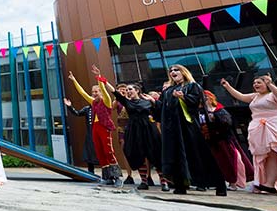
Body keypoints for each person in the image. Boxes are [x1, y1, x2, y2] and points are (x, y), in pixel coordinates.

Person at [153, 65, 226, 195]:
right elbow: (161, 109)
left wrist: (183, 97)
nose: (173, 72)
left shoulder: (193, 86)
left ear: (183, 72)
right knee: (176, 156)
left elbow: (197, 103)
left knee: (199, 154)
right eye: (171, 71)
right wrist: (152, 103)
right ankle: (180, 185)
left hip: (188, 127)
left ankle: (218, 184)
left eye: (176, 70)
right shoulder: (168, 90)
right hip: (173, 129)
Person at [98, 76, 169, 191]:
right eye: (127, 90)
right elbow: (115, 92)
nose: (128, 91)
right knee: (138, 155)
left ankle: (164, 182)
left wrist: (153, 100)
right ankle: (144, 182)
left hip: (148, 129)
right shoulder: (126, 102)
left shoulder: (148, 101)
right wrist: (104, 81)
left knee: (155, 154)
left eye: (130, 89)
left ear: (137, 91)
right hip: (134, 131)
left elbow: (160, 111)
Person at [68, 67, 122, 186]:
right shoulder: (93, 102)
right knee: (100, 152)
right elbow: (82, 93)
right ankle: (108, 177)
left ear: (101, 93)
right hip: (95, 129)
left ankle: (117, 176)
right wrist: (74, 80)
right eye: (93, 92)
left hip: (104, 128)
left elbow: (103, 89)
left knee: (108, 151)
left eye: (96, 92)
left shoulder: (106, 101)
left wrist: (98, 77)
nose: (94, 94)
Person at [202, 90, 254, 190]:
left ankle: (233, 182)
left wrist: (214, 118)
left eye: (206, 97)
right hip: (210, 141)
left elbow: (227, 123)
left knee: (231, 161)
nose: (205, 99)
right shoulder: (201, 111)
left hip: (224, 141)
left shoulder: (219, 109)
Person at [63, 97, 99, 174]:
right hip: (90, 134)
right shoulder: (87, 109)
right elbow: (77, 113)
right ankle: (91, 172)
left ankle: (107, 174)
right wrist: (70, 106)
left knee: (101, 152)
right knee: (89, 153)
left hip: (99, 134)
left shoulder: (101, 107)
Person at [113, 83, 135, 185]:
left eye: (124, 90)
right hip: (122, 129)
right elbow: (111, 108)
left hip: (134, 127)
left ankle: (147, 176)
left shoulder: (133, 100)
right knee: (125, 151)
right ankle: (129, 175)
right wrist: (117, 97)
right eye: (120, 90)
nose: (123, 91)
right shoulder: (117, 102)